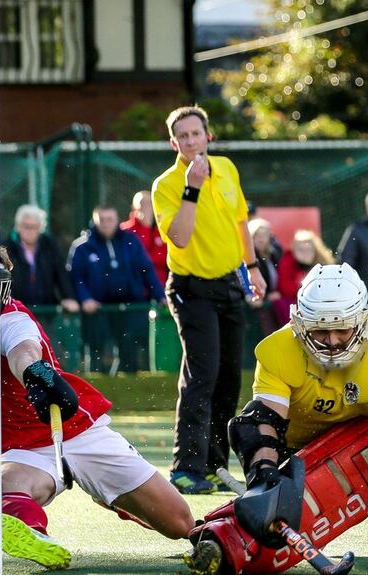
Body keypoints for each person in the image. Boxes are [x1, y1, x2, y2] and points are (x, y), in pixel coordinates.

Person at [0, 246, 196, 570]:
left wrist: (34, 374)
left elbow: (24, 351)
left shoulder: (13, 319)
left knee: (180, 522)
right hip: (22, 447)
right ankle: (38, 536)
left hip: (76, 430)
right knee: (2, 494)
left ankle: (112, 494)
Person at [183, 263, 368, 575]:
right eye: (320, 330)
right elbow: (264, 423)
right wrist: (263, 477)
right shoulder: (277, 349)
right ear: (300, 323)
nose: (332, 341)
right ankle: (221, 537)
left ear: (363, 322)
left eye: (341, 328)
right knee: (251, 427)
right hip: (294, 451)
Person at [152, 105, 266, 494]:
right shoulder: (166, 184)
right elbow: (180, 237)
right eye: (182, 136)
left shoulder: (228, 168)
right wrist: (192, 187)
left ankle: (215, 465)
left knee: (231, 377)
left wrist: (252, 268)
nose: (190, 141)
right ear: (174, 143)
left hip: (230, 284)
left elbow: (240, 224)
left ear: (208, 136)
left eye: (195, 133)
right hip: (190, 288)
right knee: (203, 374)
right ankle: (186, 467)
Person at [68, 205, 165, 373]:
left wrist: (160, 295)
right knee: (97, 351)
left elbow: (146, 269)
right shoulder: (82, 247)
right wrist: (85, 299)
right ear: (95, 221)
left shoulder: (131, 241)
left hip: (130, 306)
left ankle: (130, 389)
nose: (106, 224)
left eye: (110, 219)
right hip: (98, 310)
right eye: (101, 220)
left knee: (129, 350)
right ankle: (97, 389)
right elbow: (76, 277)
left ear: (117, 220)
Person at [2, 204, 79, 313]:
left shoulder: (49, 245)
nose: (30, 231)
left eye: (34, 227)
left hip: (46, 311)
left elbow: (61, 272)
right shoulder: (6, 248)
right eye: (26, 226)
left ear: (40, 228)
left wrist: (69, 297)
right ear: (18, 226)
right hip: (17, 311)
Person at [273, 230, 335, 326]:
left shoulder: (324, 264)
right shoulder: (287, 263)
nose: (305, 253)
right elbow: (286, 288)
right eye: (301, 250)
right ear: (294, 250)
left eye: (308, 249)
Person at [120, 190, 169, 289]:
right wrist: (145, 227)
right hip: (133, 286)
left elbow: (166, 257)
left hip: (160, 286)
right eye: (142, 204)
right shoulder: (124, 231)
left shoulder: (161, 229)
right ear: (134, 208)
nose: (147, 208)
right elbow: (130, 258)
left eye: (150, 203)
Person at [247, 218, 281, 335]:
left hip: (271, 305)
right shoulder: (248, 259)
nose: (261, 239)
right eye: (257, 235)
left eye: (264, 235)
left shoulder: (273, 255)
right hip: (255, 308)